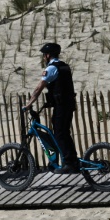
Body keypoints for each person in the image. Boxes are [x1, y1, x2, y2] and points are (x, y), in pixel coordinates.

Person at [23, 42, 79, 173]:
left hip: (62, 105)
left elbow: (39, 88)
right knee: (63, 132)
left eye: (44, 55)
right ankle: (71, 159)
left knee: (60, 133)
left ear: (48, 55)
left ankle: (69, 162)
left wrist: (29, 104)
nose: (43, 58)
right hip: (68, 104)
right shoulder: (64, 66)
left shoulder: (51, 68)